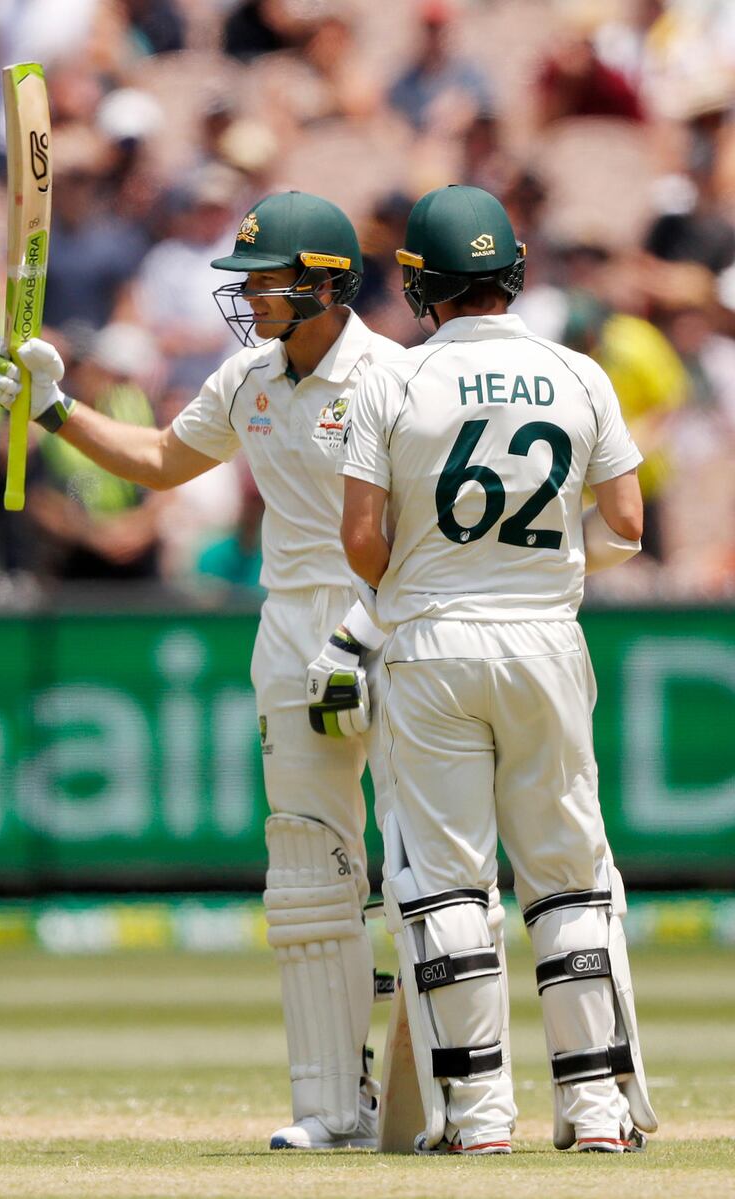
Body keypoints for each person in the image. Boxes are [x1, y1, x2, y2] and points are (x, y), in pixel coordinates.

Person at [0, 190, 397, 1151]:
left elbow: (416, 532)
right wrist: (55, 410)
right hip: (287, 625)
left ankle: (463, 1098)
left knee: (424, 864)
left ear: (325, 285)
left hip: (386, 619)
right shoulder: (249, 377)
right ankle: (334, 1107)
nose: (247, 298)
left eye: (264, 281)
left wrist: (372, 622)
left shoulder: (391, 377)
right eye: (243, 281)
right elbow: (165, 459)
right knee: (306, 870)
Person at [339, 184, 658, 1155]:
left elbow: (360, 538)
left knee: (445, 886)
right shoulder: (577, 371)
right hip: (543, 640)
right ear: (511, 270)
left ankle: (476, 1120)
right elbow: (629, 525)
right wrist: (548, 565)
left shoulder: (387, 380)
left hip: (433, 641)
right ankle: (596, 1112)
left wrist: (433, 578)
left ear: (419, 283)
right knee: (566, 876)